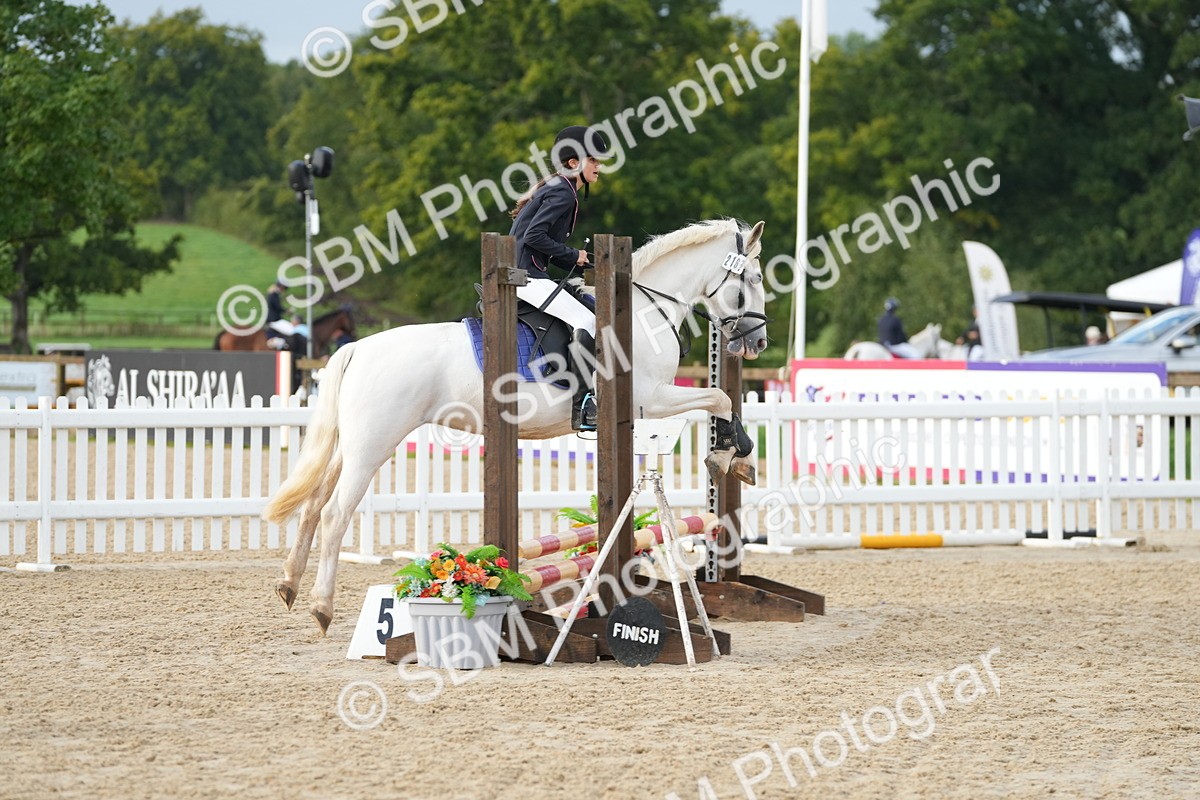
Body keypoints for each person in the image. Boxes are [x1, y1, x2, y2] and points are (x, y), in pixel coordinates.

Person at [509, 125, 613, 431]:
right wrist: (572, 254)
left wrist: (583, 264)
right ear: (573, 162)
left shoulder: (560, 187)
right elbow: (534, 236)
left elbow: (543, 245)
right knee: (587, 320)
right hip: (525, 277)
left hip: (528, 272)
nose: (599, 166)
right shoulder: (563, 193)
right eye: (593, 160)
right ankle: (583, 404)